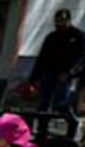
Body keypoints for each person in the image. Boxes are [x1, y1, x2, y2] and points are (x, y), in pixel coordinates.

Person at [31, 9, 84, 140]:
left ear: (69, 20)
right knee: (42, 104)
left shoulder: (78, 36)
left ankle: (72, 126)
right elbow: (42, 58)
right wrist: (34, 77)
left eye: (62, 21)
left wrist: (70, 72)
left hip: (65, 76)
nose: (59, 24)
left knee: (61, 104)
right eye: (57, 21)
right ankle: (41, 132)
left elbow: (81, 58)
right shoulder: (51, 37)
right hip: (48, 73)